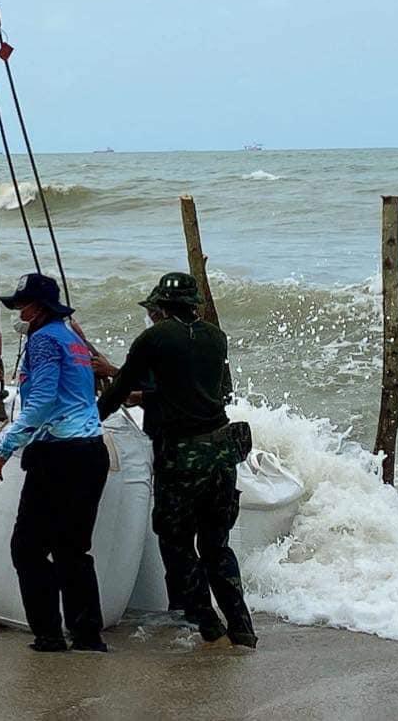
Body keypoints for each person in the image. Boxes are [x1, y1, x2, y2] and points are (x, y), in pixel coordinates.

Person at [98, 272, 257, 648]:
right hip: (221, 453)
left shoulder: (153, 339)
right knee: (217, 545)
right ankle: (242, 628)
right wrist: (148, 397)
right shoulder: (216, 337)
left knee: (176, 541)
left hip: (181, 457)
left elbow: (119, 389)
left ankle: (207, 622)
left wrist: (88, 422)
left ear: (160, 308)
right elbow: (213, 392)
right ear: (193, 305)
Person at [0, 272, 110, 653]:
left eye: (22, 305)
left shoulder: (43, 341)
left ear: (38, 308)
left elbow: (41, 404)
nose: (19, 313)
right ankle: (87, 636)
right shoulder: (72, 339)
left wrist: (2, 451)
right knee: (72, 549)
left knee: (27, 548)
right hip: (91, 451)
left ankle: (49, 635)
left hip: (59, 455)